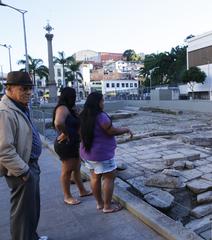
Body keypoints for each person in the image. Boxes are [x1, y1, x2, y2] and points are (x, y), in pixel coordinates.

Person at [0, 71, 48, 240]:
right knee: (22, 214)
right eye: (24, 88)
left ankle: (31, 237)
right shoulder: (5, 112)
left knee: (31, 209)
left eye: (30, 88)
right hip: (21, 170)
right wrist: (24, 171)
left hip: (29, 165)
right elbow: (4, 150)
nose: (28, 92)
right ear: (10, 88)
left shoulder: (19, 106)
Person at [80, 92, 133, 213]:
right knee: (109, 178)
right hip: (101, 155)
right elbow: (111, 131)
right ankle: (107, 206)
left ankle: (100, 203)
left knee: (94, 177)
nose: (103, 103)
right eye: (102, 101)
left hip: (87, 153)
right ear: (97, 102)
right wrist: (126, 129)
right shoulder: (101, 116)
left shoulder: (83, 115)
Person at [53, 87, 91, 205]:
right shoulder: (62, 108)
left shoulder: (69, 108)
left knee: (76, 168)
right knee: (67, 171)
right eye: (73, 96)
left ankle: (82, 190)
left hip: (73, 143)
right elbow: (58, 123)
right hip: (66, 144)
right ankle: (67, 196)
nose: (75, 99)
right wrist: (66, 133)